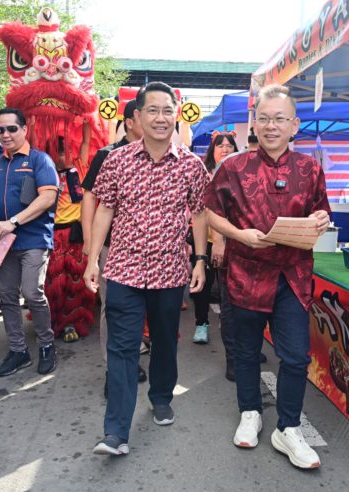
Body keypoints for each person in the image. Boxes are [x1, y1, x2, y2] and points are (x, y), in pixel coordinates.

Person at [205, 84, 330, 470]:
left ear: (294, 125)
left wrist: (319, 220)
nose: (271, 125)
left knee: (295, 356)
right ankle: (250, 412)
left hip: (292, 276)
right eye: (264, 118)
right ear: (254, 124)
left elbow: (321, 213)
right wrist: (238, 235)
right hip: (246, 273)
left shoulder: (310, 168)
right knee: (245, 351)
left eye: (279, 119)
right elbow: (210, 212)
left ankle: (288, 427)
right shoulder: (233, 167)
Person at [84, 82, 209, 456]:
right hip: (123, 270)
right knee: (122, 348)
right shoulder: (116, 161)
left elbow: (199, 214)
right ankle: (116, 432)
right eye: (152, 110)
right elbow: (104, 209)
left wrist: (200, 260)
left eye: (167, 110)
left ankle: (161, 396)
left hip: (170, 272)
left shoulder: (191, 165)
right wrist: (93, 259)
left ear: (176, 115)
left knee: (165, 341)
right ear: (137, 116)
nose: (160, 117)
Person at [81, 101, 147, 397]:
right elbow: (89, 199)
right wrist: (89, 244)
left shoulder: (161, 156)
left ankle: (131, 358)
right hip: (113, 247)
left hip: (149, 249)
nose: (155, 120)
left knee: (143, 306)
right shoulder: (107, 155)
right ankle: (114, 369)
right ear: (130, 121)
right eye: (147, 114)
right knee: (113, 308)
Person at [0, 107, 59, 377]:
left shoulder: (40, 160)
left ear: (24, 129)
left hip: (33, 239)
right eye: (0, 130)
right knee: (6, 296)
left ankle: (46, 345)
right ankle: (18, 351)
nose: (5, 134)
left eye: (11, 129)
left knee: (32, 293)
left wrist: (13, 222)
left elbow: (48, 197)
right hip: (4, 243)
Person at [43, 141, 95, 344]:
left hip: (75, 234)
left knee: (76, 282)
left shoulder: (80, 167)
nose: (62, 156)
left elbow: (86, 140)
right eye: (58, 152)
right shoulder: (46, 172)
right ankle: (54, 321)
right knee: (54, 282)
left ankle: (72, 322)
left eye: (65, 151)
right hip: (53, 234)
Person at [189, 131, 238, 345]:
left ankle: (230, 328)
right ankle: (201, 323)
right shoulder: (203, 173)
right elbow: (201, 209)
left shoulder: (241, 173)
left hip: (234, 240)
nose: (225, 149)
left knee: (231, 288)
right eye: (220, 146)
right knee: (203, 284)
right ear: (213, 150)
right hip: (205, 241)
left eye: (229, 145)